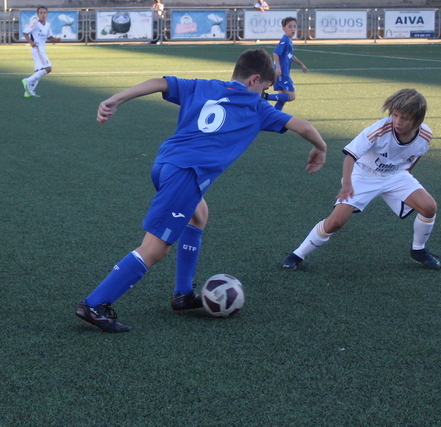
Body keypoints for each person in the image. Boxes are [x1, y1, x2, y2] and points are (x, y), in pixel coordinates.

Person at [76, 49, 328, 332]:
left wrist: (115, 99)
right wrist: (321, 147)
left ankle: (182, 295)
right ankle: (95, 304)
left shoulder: (203, 86)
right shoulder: (256, 108)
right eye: (264, 88)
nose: (263, 94)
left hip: (166, 165)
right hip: (186, 176)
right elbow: (303, 126)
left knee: (199, 215)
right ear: (254, 80)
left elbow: (159, 82)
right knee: (155, 248)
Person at [280, 88, 441, 272]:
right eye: (395, 115)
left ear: (417, 120)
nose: (397, 121)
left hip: (396, 175)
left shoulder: (425, 135)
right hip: (364, 174)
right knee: (336, 222)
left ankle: (418, 250)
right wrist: (347, 185)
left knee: (429, 207)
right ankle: (296, 255)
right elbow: (350, 156)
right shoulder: (379, 129)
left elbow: (416, 154)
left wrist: (407, 174)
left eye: (404, 118)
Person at [265, 17, 307, 111]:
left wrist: (301, 64)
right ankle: (264, 97)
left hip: (282, 73)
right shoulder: (285, 40)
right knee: (291, 96)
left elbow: (290, 56)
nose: (293, 29)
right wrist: (278, 68)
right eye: (290, 26)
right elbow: (276, 53)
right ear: (284, 28)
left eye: (294, 27)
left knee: (282, 98)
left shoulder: (289, 41)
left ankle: (274, 117)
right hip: (282, 74)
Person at [22, 6, 59, 98]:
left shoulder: (48, 25)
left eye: (44, 13)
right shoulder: (36, 24)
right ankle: (28, 80)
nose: (43, 14)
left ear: (47, 14)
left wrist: (57, 40)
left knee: (38, 71)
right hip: (37, 49)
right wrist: (31, 42)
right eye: (41, 13)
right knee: (48, 69)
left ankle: (28, 92)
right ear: (38, 15)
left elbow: (49, 37)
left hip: (42, 49)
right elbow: (25, 32)